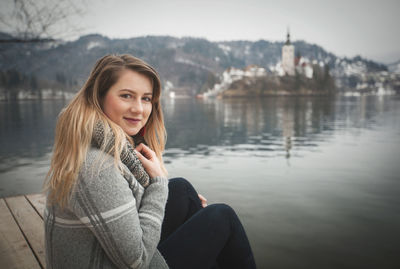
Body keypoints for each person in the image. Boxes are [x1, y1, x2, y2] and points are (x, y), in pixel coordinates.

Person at [43, 54, 256, 269]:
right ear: (98, 97)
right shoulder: (96, 167)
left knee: (180, 190)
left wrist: (164, 191)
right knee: (221, 218)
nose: (139, 109)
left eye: (146, 98)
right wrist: (158, 185)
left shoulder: (98, 144)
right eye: (126, 95)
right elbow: (138, 261)